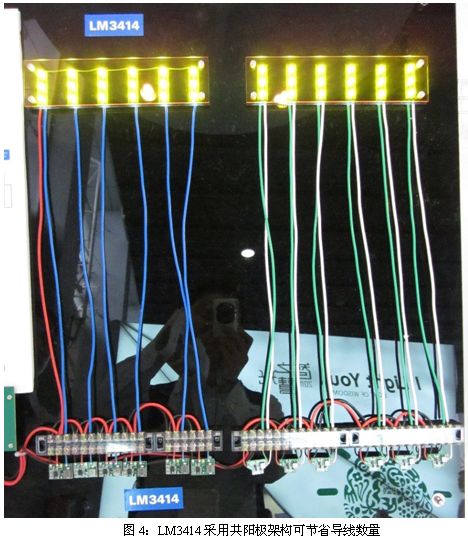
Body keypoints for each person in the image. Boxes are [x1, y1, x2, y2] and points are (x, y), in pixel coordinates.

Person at [117, 293, 284, 517]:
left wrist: (226, 385)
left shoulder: (262, 407)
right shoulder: (152, 402)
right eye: (202, 321)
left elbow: (273, 471)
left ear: (239, 333)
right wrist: (159, 349)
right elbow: (101, 407)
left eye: (223, 316)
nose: (211, 332)